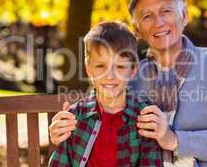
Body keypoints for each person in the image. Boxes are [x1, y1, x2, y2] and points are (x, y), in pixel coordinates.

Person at [49, 0, 207, 167]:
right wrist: (66, 130)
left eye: (166, 11)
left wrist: (173, 139)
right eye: (147, 16)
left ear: (184, 15)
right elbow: (103, 114)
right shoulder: (131, 76)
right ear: (137, 29)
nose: (158, 22)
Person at [48, 22, 162, 167]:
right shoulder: (74, 117)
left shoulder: (144, 119)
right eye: (101, 66)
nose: (110, 76)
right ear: (89, 69)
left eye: (120, 66)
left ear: (133, 70)